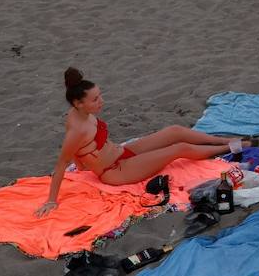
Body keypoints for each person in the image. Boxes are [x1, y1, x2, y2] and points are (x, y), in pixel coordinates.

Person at [38, 68, 240, 214]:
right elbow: (61, 164)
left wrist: (81, 164)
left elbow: (77, 152)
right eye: (95, 100)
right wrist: (51, 201)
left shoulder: (80, 114)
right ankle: (229, 146)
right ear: (78, 103)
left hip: (122, 153)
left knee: (174, 131)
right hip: (114, 171)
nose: (101, 102)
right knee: (178, 149)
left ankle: (220, 140)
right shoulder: (76, 130)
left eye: (100, 96)